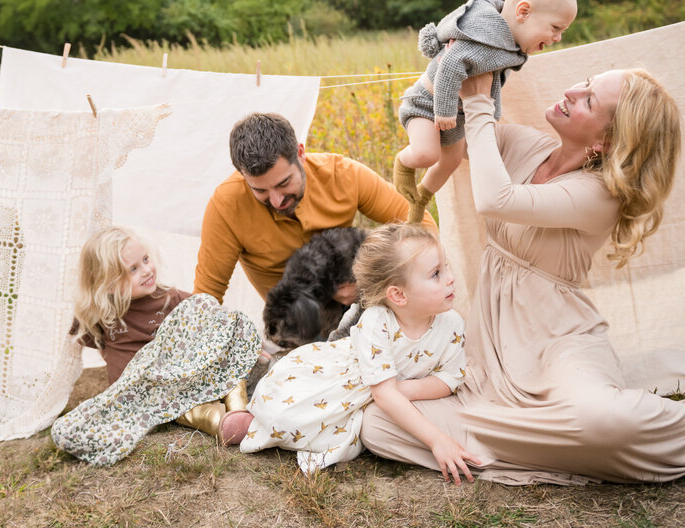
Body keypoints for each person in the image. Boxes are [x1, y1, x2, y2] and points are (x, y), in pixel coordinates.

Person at [360, 69, 685, 484]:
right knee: (377, 425)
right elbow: (445, 125)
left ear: (607, 141)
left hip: (559, 340)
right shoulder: (524, 145)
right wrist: (463, 55)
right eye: (585, 83)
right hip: (490, 347)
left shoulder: (600, 195)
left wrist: (479, 105)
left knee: (602, 420)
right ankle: (538, 441)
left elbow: (495, 199)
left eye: (589, 100)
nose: (573, 91)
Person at [239, 224, 481, 481]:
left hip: (379, 394)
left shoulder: (452, 323)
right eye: (436, 274)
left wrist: (401, 390)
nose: (450, 278)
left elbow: (451, 377)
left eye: (446, 267)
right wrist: (437, 440)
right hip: (338, 382)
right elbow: (383, 393)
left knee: (348, 442)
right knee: (287, 417)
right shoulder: (378, 321)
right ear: (398, 295)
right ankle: (245, 419)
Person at [51, 227, 260, 465]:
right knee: (177, 408)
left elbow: (212, 321)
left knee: (213, 312)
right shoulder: (100, 313)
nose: (147, 270)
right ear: (108, 285)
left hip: (182, 377)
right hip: (145, 395)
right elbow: (72, 354)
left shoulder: (169, 298)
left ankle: (237, 408)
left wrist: (236, 340)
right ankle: (219, 421)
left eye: (146, 259)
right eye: (133, 269)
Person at [394, 0, 578, 222]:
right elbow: (449, 65)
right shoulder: (480, 34)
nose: (557, 37)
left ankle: (421, 199)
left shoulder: (508, 42)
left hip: (456, 117)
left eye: (562, 32)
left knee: (451, 161)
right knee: (428, 155)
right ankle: (403, 163)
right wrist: (445, 109)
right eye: (555, 27)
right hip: (428, 105)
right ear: (523, 12)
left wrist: (488, 116)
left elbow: (492, 84)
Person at [193, 113, 435, 305]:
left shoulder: (344, 174)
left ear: (300, 154)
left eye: (283, 183)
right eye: (260, 191)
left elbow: (422, 227)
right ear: (242, 175)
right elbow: (206, 297)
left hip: (367, 302)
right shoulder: (226, 206)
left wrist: (375, 282)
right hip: (297, 324)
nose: (276, 200)